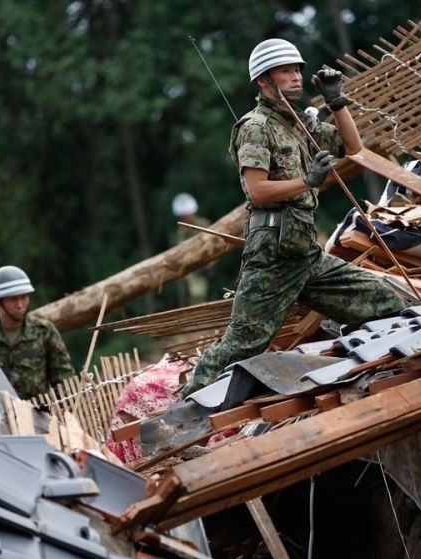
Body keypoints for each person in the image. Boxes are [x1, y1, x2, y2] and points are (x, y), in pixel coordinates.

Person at [181, 38, 405, 397]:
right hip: (272, 256)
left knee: (387, 303)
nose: (297, 76)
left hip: (306, 254)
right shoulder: (255, 127)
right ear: (264, 81)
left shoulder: (300, 124)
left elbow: (354, 148)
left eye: (298, 69)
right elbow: (257, 190)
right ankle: (180, 419)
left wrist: (336, 100)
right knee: (241, 343)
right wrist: (309, 180)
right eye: (286, 71)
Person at [0, 265, 74, 400]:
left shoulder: (44, 332)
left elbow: (64, 379)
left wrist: (63, 412)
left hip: (38, 415)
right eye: (13, 299)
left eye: (24, 297)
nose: (20, 304)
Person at [170, 192, 211, 306]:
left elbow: (214, 244)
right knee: (184, 298)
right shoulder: (180, 231)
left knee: (197, 295)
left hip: (200, 267)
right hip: (185, 271)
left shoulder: (203, 225)